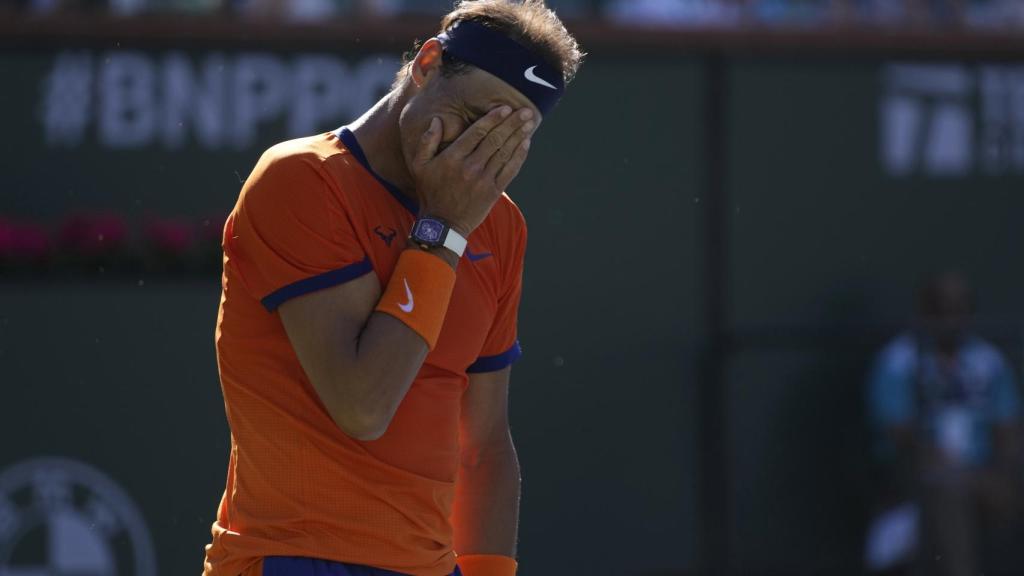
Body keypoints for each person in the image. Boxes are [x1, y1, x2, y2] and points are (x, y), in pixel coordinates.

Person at [202, 2, 583, 575]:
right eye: (472, 115)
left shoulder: (499, 224)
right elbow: (362, 405)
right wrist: (445, 229)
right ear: (427, 63)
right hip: (291, 557)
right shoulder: (300, 178)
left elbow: (483, 444)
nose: (472, 152)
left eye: (503, 138)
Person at [866, 272, 1023, 576]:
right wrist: (969, 476)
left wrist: (1004, 470)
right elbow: (899, 433)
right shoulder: (899, 360)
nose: (951, 319)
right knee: (948, 490)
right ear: (923, 313)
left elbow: (1010, 427)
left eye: (960, 308)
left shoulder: (988, 360)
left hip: (986, 471)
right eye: (941, 309)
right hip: (918, 475)